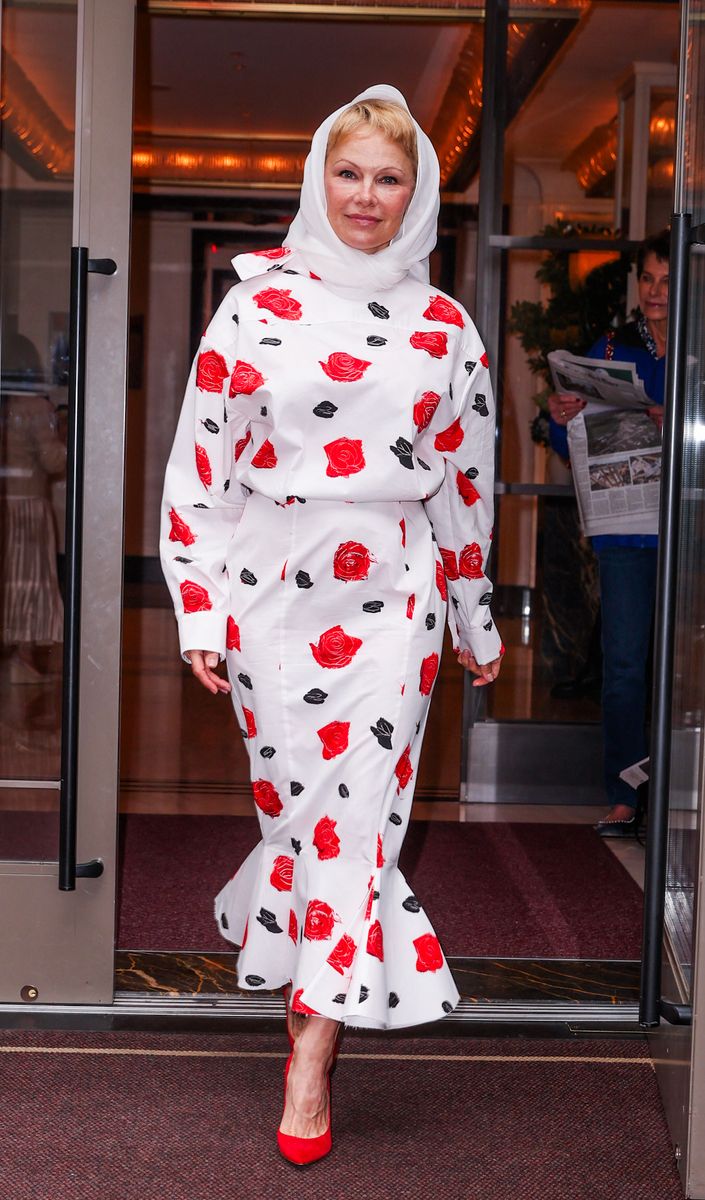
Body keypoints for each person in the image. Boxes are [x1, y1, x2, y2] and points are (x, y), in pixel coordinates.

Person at [160, 84, 502, 1164]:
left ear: (418, 195)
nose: (366, 196)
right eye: (349, 172)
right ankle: (320, 986)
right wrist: (200, 606)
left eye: (389, 177)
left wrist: (472, 616)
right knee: (302, 820)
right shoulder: (253, 308)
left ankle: (312, 1056)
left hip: (396, 590)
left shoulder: (448, 329)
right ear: (320, 178)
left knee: (361, 821)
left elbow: (467, 486)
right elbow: (200, 468)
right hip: (273, 591)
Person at [548, 229, 669, 836]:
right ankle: (626, 792)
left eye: (667, 281)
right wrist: (558, 415)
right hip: (627, 536)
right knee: (624, 666)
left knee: (682, 670)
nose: (654, 292)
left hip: (688, 532)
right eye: (647, 279)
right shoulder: (615, 346)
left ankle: (676, 790)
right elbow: (568, 439)